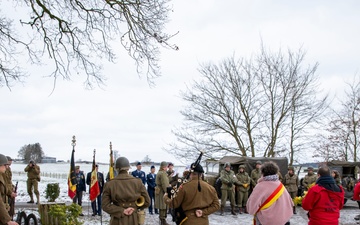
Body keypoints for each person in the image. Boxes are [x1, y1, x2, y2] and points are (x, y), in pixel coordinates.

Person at [102, 156, 150, 225]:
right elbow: (147, 202)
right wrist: (134, 208)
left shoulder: (110, 184)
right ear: (128, 168)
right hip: (134, 219)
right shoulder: (138, 182)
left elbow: (105, 205)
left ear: (117, 169)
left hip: (117, 219)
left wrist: (121, 210)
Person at [0, 154, 19, 225]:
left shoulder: (2, 175)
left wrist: (10, 192)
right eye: (5, 165)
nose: (6, 167)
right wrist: (7, 220)